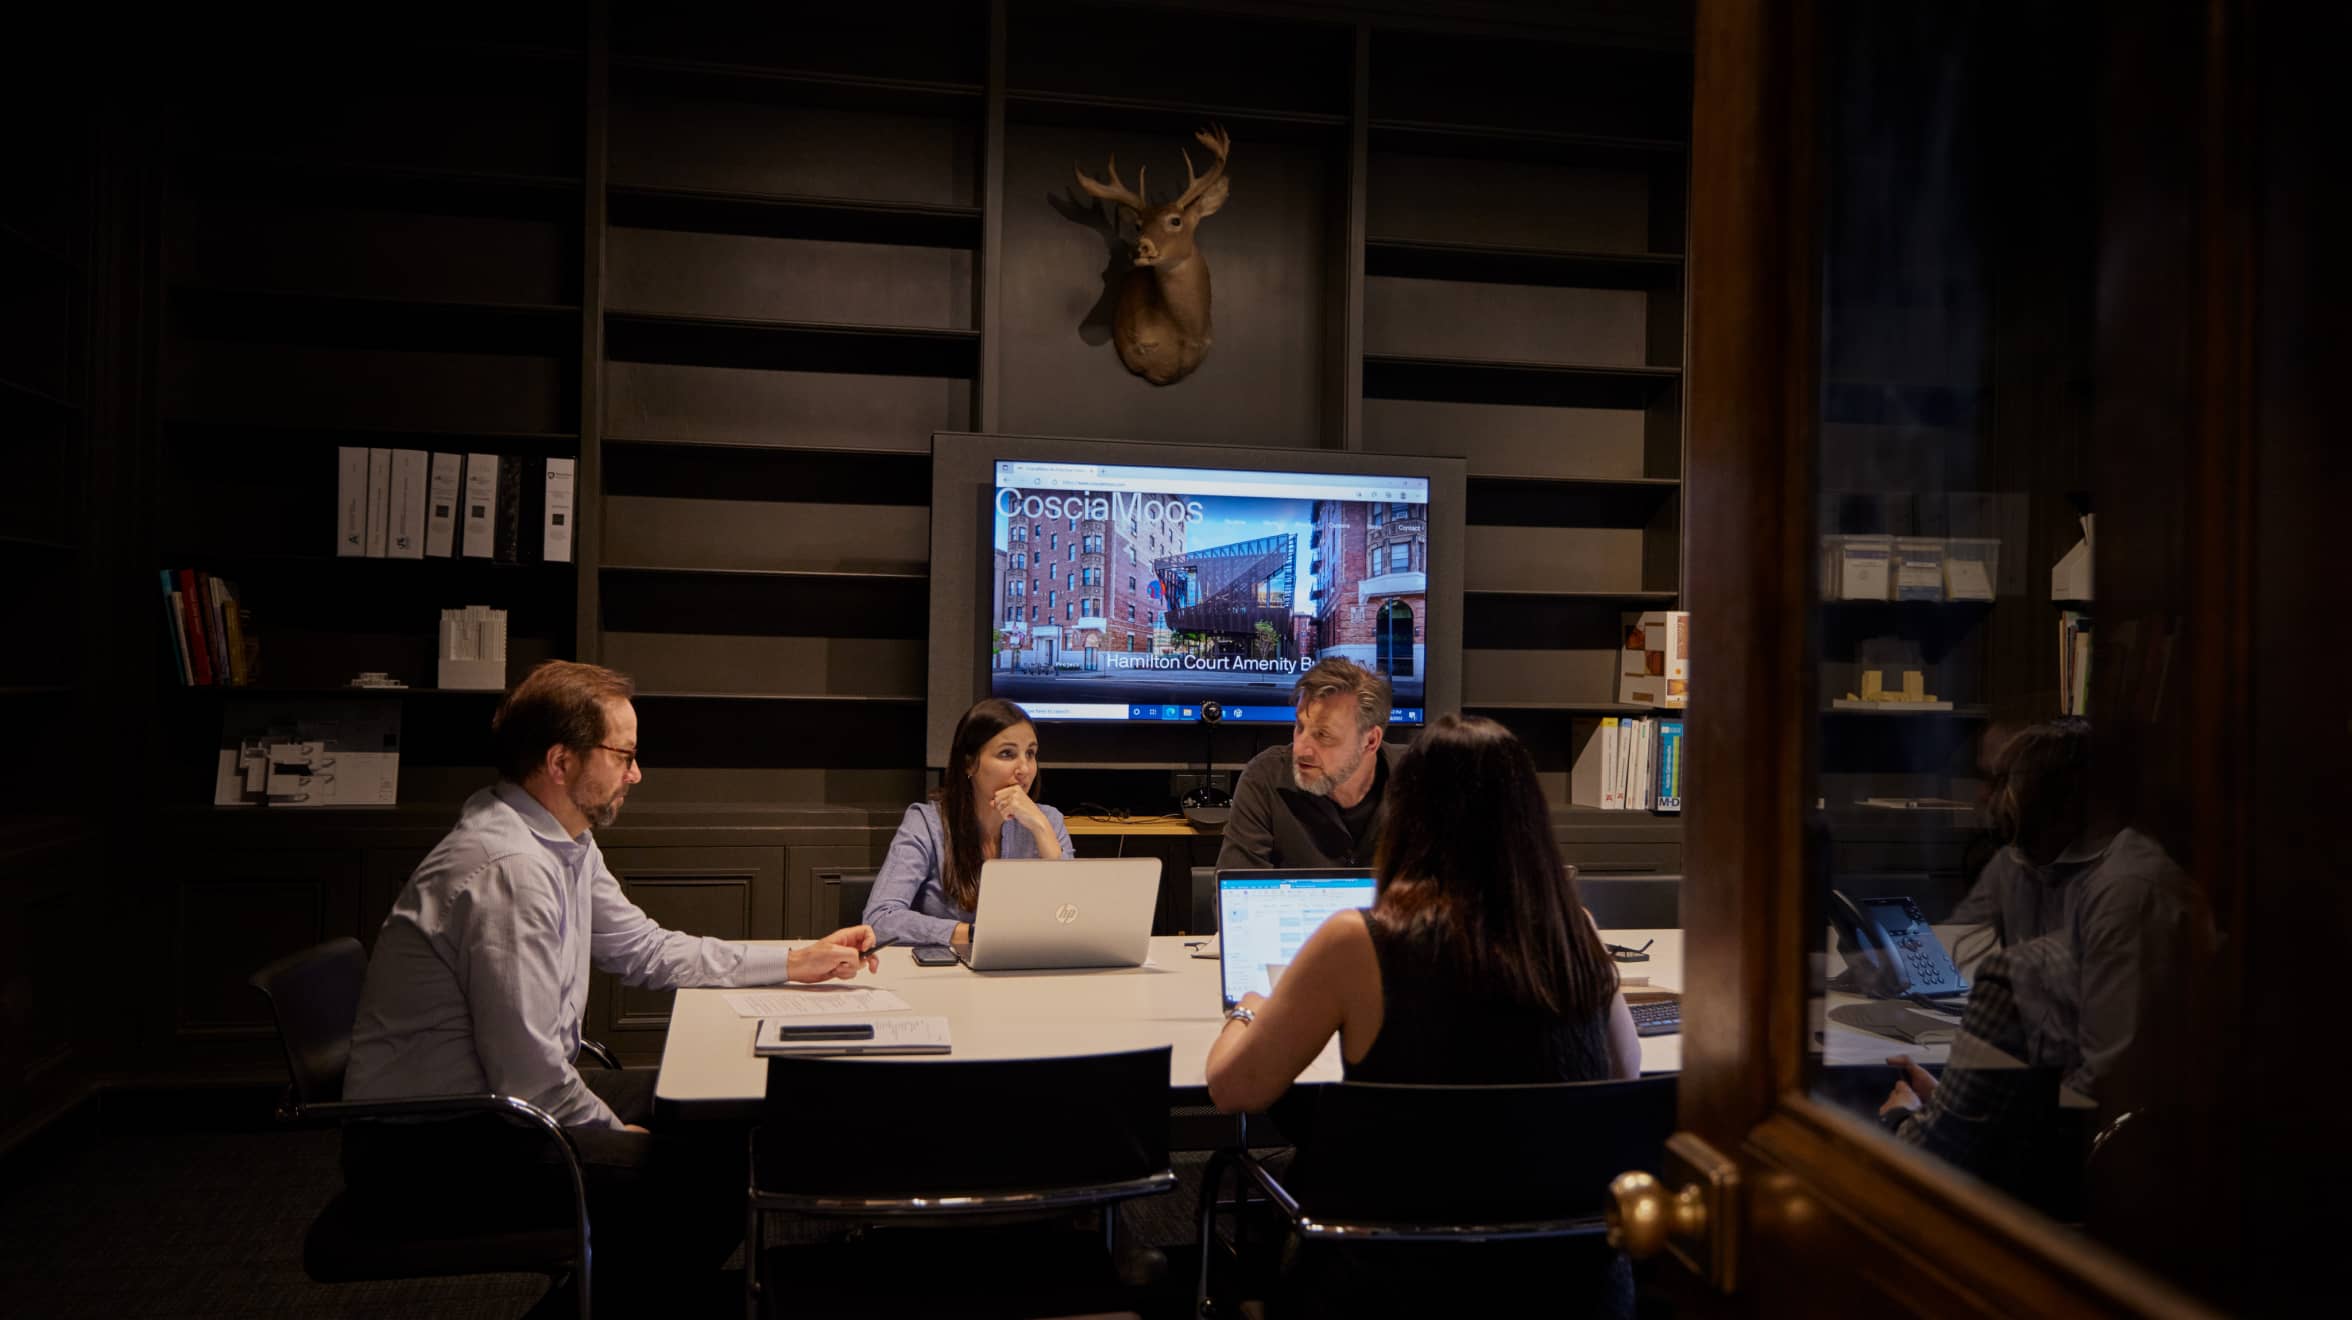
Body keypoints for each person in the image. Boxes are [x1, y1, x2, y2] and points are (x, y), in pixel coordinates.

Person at [342, 660, 880, 1312]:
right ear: (560, 762)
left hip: (494, 1100)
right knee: (707, 1180)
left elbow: (649, 952)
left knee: (727, 1116)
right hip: (433, 1144)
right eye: (623, 755)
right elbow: (531, 1082)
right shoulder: (509, 870)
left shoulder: (560, 838)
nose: (636, 773)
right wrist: (620, 1137)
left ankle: (631, 1295)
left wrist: (797, 960)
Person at [1205, 714, 1642, 1317]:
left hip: (1393, 1287)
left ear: (1408, 816)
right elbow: (1624, 1076)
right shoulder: (1577, 936)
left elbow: (1232, 1089)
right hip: (1569, 1288)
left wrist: (1248, 1013)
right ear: (1530, 821)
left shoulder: (1357, 941)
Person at [1944, 717, 2198, 1103]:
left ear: (2057, 799)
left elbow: (2106, 1080)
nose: (1985, 799)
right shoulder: (2019, 861)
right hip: (2041, 1090)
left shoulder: (2128, 890)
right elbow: (1952, 942)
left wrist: (2005, 1123)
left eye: (2003, 784)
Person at [1877, 934, 2086, 1216]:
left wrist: (1897, 1115)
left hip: (2014, 1220)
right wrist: (1950, 1098)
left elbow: (1931, 1155)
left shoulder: (2017, 971)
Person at [865, 698, 1076, 947]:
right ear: (969, 763)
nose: (1025, 768)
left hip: (1031, 970)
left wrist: (1042, 830)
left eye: (1030, 753)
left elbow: (1072, 916)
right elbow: (880, 919)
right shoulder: (927, 823)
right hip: (950, 975)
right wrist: (974, 934)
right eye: (1007, 754)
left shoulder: (1047, 821)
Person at [1216, 657, 1405, 871]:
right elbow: (1235, 896)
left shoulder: (1419, 778)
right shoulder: (1265, 778)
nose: (1301, 749)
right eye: (1299, 727)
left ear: (1370, 741)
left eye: (1323, 735)